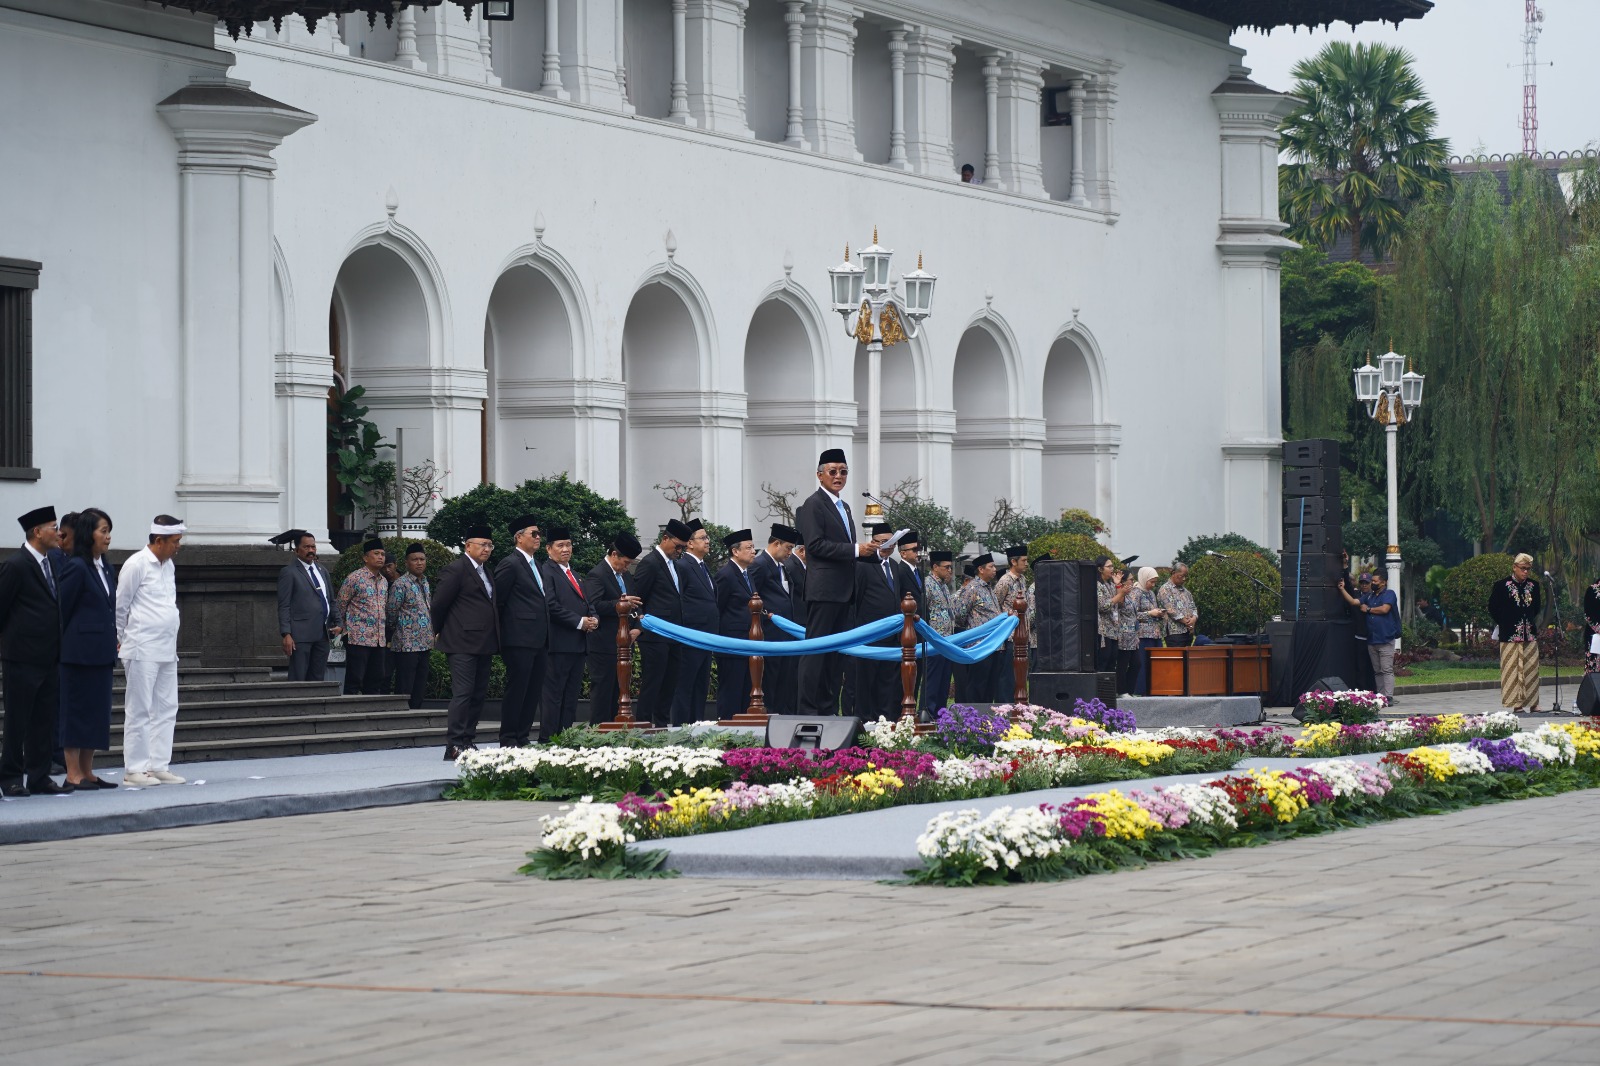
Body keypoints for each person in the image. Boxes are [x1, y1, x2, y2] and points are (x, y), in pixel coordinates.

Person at [795, 448, 874, 714]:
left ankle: (827, 709)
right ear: (820, 475)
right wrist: (855, 549)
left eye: (843, 471)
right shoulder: (813, 505)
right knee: (816, 652)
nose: (838, 476)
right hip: (824, 590)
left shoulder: (844, 506)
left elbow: (849, 548)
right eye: (833, 471)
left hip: (844, 591)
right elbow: (815, 546)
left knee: (835, 655)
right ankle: (808, 710)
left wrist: (873, 551)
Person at [0, 506, 68, 796]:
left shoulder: (50, 562)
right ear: (37, 532)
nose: (59, 532)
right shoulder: (16, 564)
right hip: (21, 657)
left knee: (44, 719)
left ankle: (39, 775)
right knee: (18, 720)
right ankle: (11, 777)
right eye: (53, 527)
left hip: (49, 656)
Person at [116, 515, 186, 787]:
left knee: (167, 707)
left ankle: (158, 765)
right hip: (141, 646)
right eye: (175, 542)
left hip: (167, 647)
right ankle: (134, 769)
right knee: (140, 709)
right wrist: (121, 638)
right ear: (159, 540)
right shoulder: (136, 564)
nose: (178, 546)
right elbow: (121, 606)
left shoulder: (168, 566)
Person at [57, 508, 119, 789]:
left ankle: (88, 771)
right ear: (88, 534)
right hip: (78, 652)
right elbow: (62, 610)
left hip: (102, 651)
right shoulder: (76, 566)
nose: (107, 537)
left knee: (97, 711)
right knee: (77, 711)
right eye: (103, 531)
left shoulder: (105, 566)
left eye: (108, 531)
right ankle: (73, 773)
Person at [434, 525, 499, 759]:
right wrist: (437, 631)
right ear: (467, 545)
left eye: (490, 545)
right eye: (482, 544)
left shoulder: (486, 571)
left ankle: (467, 740)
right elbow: (439, 604)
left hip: (484, 642)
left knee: (478, 694)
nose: (487, 549)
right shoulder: (456, 569)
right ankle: (454, 743)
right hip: (461, 642)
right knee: (463, 693)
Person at [493, 515, 549, 746]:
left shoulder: (537, 565)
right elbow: (499, 601)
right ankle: (508, 738)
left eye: (539, 534)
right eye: (533, 534)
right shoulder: (511, 563)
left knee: (533, 691)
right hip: (519, 638)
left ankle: (522, 736)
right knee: (518, 689)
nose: (538, 538)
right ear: (519, 538)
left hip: (540, 638)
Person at [851, 524, 918, 715]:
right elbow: (857, 599)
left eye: (891, 542)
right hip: (870, 635)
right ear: (873, 543)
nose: (888, 546)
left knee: (888, 683)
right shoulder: (864, 565)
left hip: (892, 635)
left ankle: (886, 719)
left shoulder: (895, 566)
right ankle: (865, 720)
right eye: (883, 542)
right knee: (866, 682)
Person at [632, 519, 691, 726]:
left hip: (674, 634)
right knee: (653, 683)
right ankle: (644, 725)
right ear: (665, 539)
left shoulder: (674, 565)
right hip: (655, 636)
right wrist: (639, 623)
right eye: (678, 546)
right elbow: (637, 597)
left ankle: (662, 725)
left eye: (684, 548)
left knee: (670, 684)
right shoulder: (650, 562)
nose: (680, 551)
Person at [541, 527, 597, 737]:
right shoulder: (546, 571)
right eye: (560, 545)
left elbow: (587, 602)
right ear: (549, 548)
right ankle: (549, 738)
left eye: (569, 545)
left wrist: (594, 619)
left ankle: (566, 737)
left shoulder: (574, 573)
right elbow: (551, 605)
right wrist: (579, 622)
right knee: (554, 695)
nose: (566, 549)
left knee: (571, 696)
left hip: (578, 644)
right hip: (558, 644)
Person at [583, 533, 642, 724]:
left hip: (625, 643)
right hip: (604, 644)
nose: (626, 567)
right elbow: (595, 605)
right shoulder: (597, 574)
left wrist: (636, 628)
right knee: (603, 691)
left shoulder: (626, 576)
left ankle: (618, 732)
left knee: (621, 691)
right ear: (614, 554)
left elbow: (637, 605)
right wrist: (621, 603)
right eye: (625, 562)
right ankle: (599, 732)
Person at [277, 530, 343, 682]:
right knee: (299, 677)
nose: (311, 551)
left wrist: (339, 623)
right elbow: (284, 605)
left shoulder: (322, 570)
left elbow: (331, 600)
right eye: (306, 547)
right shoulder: (289, 572)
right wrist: (286, 633)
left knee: (318, 676)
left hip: (323, 633)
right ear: (296, 550)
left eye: (313, 547)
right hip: (300, 635)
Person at [750, 524, 800, 715]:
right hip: (770, 633)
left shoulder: (782, 567)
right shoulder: (760, 564)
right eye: (788, 547)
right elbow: (753, 595)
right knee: (771, 680)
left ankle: (782, 716)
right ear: (776, 544)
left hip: (786, 634)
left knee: (785, 681)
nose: (790, 552)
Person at [673, 519, 719, 726]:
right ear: (689, 543)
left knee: (701, 684)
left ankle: (697, 724)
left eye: (707, 537)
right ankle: (682, 726)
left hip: (706, 636)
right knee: (685, 684)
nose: (707, 541)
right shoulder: (682, 565)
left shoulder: (703, 566)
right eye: (703, 538)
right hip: (691, 634)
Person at [1488, 553, 1543, 713]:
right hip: (1509, 635)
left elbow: (1537, 608)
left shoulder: (1534, 585)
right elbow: (1492, 607)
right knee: (1512, 670)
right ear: (1514, 567)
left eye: (1528, 569)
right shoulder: (1501, 585)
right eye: (1522, 568)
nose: (1525, 572)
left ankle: (1534, 703)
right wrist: (1505, 622)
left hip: (1529, 634)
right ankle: (1517, 704)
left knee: (1532, 668)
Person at [715, 529, 759, 720]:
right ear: (735, 551)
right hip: (732, 642)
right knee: (731, 688)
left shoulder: (747, 574)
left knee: (745, 688)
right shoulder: (726, 574)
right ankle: (727, 726)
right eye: (749, 548)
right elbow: (719, 608)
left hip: (748, 641)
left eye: (753, 547)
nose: (753, 551)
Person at [336, 538, 389, 695]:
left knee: (376, 679)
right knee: (355, 679)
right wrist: (344, 630)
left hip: (378, 639)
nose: (381, 557)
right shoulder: (354, 578)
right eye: (376, 553)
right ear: (366, 558)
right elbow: (340, 605)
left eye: (383, 554)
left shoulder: (384, 581)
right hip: (357, 638)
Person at [387, 543, 434, 710]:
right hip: (406, 643)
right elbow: (392, 612)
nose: (419, 563)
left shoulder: (425, 582)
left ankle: (416, 713)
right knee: (405, 684)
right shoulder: (401, 584)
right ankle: (401, 717)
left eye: (422, 559)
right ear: (406, 563)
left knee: (420, 684)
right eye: (415, 560)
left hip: (425, 642)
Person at [954, 553, 1005, 701]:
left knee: (991, 687)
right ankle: (973, 718)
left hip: (995, 645)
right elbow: (959, 614)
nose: (995, 569)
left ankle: (986, 718)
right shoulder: (972, 588)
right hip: (980, 645)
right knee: (978, 685)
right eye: (991, 566)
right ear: (981, 570)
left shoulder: (989, 588)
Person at [920, 550, 957, 716]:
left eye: (951, 567)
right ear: (935, 566)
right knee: (932, 680)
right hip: (934, 640)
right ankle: (927, 712)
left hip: (947, 640)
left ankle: (941, 714)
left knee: (944, 680)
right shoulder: (927, 584)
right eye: (946, 567)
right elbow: (924, 610)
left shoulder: (943, 585)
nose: (949, 570)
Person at [1336, 551, 1376, 690]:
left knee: (1375, 668)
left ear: (1372, 584)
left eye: (1367, 583)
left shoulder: (1375, 597)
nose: (1364, 585)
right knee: (1360, 667)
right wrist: (1345, 566)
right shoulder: (1358, 596)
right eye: (1362, 583)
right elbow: (1348, 586)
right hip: (1360, 637)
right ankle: (1361, 692)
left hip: (1374, 638)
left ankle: (1377, 692)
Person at [1360, 571, 1400, 701]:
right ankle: (1381, 697)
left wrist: (1368, 609)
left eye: (1375, 581)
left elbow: (1384, 609)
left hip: (1385, 638)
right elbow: (1355, 602)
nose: (1372, 583)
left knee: (1386, 669)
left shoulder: (1389, 594)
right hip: (1372, 639)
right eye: (1372, 581)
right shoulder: (1370, 596)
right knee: (1377, 671)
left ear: (1383, 582)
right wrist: (1342, 589)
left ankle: (1388, 697)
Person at [1129, 567, 1165, 695]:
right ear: (1144, 579)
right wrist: (1150, 613)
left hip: (1155, 633)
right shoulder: (1135, 592)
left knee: (1156, 664)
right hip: (1143, 635)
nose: (1153, 585)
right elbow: (1132, 614)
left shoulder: (1151, 593)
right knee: (1143, 664)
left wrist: (1159, 613)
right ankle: (1140, 691)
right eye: (1151, 582)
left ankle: (1155, 690)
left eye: (1155, 582)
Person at [1094, 555, 1129, 674]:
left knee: (1112, 661)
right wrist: (1120, 594)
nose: (1112, 569)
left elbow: (1120, 604)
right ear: (1100, 569)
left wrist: (1118, 585)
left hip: (1114, 629)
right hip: (1103, 630)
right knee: (1103, 661)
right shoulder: (1097, 585)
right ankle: (1099, 691)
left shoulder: (1110, 584)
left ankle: (1109, 692)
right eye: (1109, 566)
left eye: (1112, 566)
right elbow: (1103, 606)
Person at [1156, 563, 1199, 647]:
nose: (1184, 579)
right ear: (1173, 573)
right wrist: (1187, 622)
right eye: (1181, 576)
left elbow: (1193, 607)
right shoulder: (1165, 589)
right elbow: (1170, 610)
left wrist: (1194, 618)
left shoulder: (1186, 591)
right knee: (1177, 658)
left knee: (1187, 658)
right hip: (1174, 633)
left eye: (1186, 576)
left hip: (1188, 631)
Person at [1585, 576, 1600, 676]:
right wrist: (1598, 628)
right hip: (1594, 634)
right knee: (1593, 665)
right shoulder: (1592, 590)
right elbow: (1587, 614)